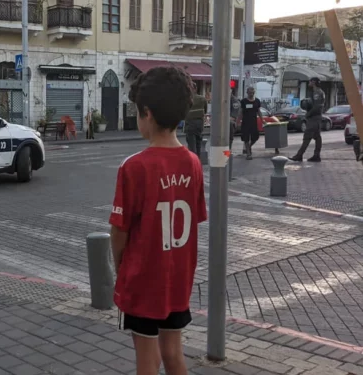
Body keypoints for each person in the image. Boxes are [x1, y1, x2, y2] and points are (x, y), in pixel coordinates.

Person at [109, 66, 207, 375]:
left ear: (146, 114)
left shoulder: (134, 167)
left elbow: (119, 231)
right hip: (177, 275)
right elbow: (196, 219)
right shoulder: (193, 162)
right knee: (173, 352)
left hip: (143, 279)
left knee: (147, 359)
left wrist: (120, 268)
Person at [290, 77, 325, 162]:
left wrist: (308, 114)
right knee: (317, 137)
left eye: (310, 81)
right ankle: (316, 155)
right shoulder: (320, 92)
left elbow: (317, 106)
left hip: (314, 117)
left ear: (313, 82)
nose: (309, 83)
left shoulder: (317, 92)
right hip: (317, 117)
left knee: (307, 136)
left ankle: (299, 155)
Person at [184, 82, 207, 156]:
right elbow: (205, 111)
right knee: (198, 143)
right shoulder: (202, 99)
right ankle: (198, 161)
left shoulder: (187, 99)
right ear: (196, 89)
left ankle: (193, 162)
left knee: (191, 145)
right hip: (199, 123)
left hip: (190, 123)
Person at [239, 87, 261, 160]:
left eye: (253, 92)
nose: (251, 94)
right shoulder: (243, 101)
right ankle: (248, 154)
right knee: (246, 138)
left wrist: (263, 120)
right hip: (245, 122)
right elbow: (240, 112)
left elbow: (259, 111)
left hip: (253, 122)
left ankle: (249, 147)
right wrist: (238, 121)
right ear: (247, 93)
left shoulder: (257, 101)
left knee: (256, 136)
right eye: (250, 92)